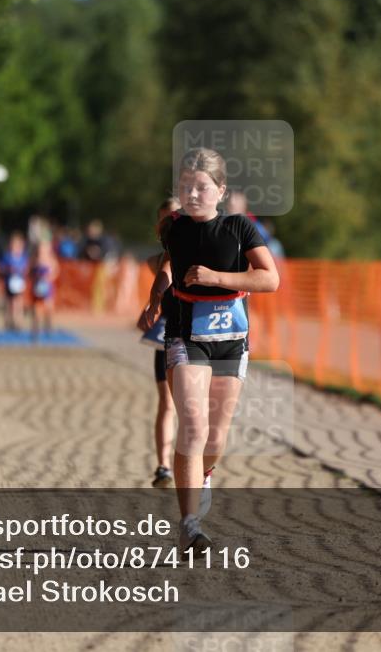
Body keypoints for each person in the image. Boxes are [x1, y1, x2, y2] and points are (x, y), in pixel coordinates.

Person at [143, 148, 279, 552]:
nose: (192, 194)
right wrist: (155, 297)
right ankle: (188, 525)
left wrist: (217, 278)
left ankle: (205, 476)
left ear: (220, 190)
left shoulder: (240, 228)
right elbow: (167, 261)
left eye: (201, 187)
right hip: (185, 336)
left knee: (216, 436)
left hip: (231, 342)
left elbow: (270, 280)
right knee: (194, 425)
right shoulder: (173, 227)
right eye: (185, 186)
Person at [137, 198, 181, 489]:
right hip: (167, 335)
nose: (171, 226)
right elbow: (159, 267)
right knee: (167, 402)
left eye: (175, 219)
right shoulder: (159, 259)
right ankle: (163, 466)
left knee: (194, 406)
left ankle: (197, 467)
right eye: (165, 221)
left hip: (199, 337)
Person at [29, 239, 59, 340]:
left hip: (48, 288)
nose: (42, 251)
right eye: (41, 249)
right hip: (37, 288)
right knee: (37, 311)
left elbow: (56, 272)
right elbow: (30, 272)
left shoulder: (52, 260)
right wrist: (36, 277)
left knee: (49, 309)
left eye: (44, 248)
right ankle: (36, 331)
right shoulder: (35, 260)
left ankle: (48, 327)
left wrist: (49, 277)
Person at [0, 232, 29, 331]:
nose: (15, 247)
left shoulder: (24, 257)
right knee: (9, 302)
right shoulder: (7, 256)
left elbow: (26, 268)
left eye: (17, 245)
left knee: (18, 302)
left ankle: (18, 321)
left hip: (19, 283)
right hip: (9, 282)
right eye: (13, 245)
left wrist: (22, 271)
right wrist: (8, 270)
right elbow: (1, 268)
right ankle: (9, 321)